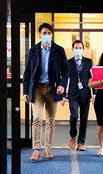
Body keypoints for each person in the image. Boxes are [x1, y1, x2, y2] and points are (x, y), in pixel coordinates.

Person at [23, 23, 69, 161]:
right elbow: (28, 72)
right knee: (37, 118)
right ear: (39, 34)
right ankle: (36, 149)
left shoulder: (59, 50)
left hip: (52, 88)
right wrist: (25, 91)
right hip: (36, 88)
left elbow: (66, 70)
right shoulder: (33, 50)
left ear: (52, 35)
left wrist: (62, 85)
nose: (47, 35)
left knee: (50, 120)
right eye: (44, 33)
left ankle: (48, 148)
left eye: (49, 33)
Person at [61, 40, 96, 151]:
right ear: (72, 49)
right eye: (76, 48)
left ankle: (81, 142)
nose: (78, 50)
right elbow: (65, 79)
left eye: (80, 48)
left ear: (83, 49)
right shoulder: (68, 62)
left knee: (84, 118)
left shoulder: (89, 62)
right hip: (73, 94)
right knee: (74, 115)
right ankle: (73, 136)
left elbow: (93, 78)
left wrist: (94, 93)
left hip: (85, 94)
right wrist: (63, 95)